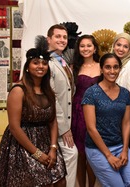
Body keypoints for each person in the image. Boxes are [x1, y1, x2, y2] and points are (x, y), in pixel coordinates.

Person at [0, 47, 66, 186]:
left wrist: (53, 148)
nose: (41, 66)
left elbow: (52, 121)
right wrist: (37, 154)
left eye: (44, 63)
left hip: (46, 141)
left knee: (60, 181)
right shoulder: (18, 91)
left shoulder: (48, 91)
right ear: (27, 67)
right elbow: (14, 128)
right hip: (23, 145)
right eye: (36, 63)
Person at [82, 53, 130, 187]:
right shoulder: (91, 93)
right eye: (108, 67)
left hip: (119, 146)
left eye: (116, 67)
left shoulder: (125, 93)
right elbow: (91, 128)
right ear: (101, 69)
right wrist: (108, 155)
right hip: (97, 148)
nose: (112, 71)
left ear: (120, 69)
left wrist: (125, 150)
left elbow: (126, 123)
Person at [47, 24, 78, 187]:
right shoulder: (46, 63)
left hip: (66, 122)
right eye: (57, 36)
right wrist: (64, 127)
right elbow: (52, 98)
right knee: (71, 155)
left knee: (68, 157)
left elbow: (68, 92)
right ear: (49, 39)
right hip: (54, 124)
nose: (62, 40)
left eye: (64, 37)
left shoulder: (62, 61)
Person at [71, 34, 100, 187]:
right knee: (80, 153)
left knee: (93, 152)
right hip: (77, 111)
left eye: (89, 45)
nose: (86, 49)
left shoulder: (102, 66)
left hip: (96, 112)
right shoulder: (73, 67)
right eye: (82, 46)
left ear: (95, 48)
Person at [111, 32, 130, 150]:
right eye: (118, 45)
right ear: (113, 45)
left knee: (123, 147)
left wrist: (125, 118)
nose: (121, 49)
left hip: (124, 115)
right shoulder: (110, 62)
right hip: (110, 112)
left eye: (125, 46)